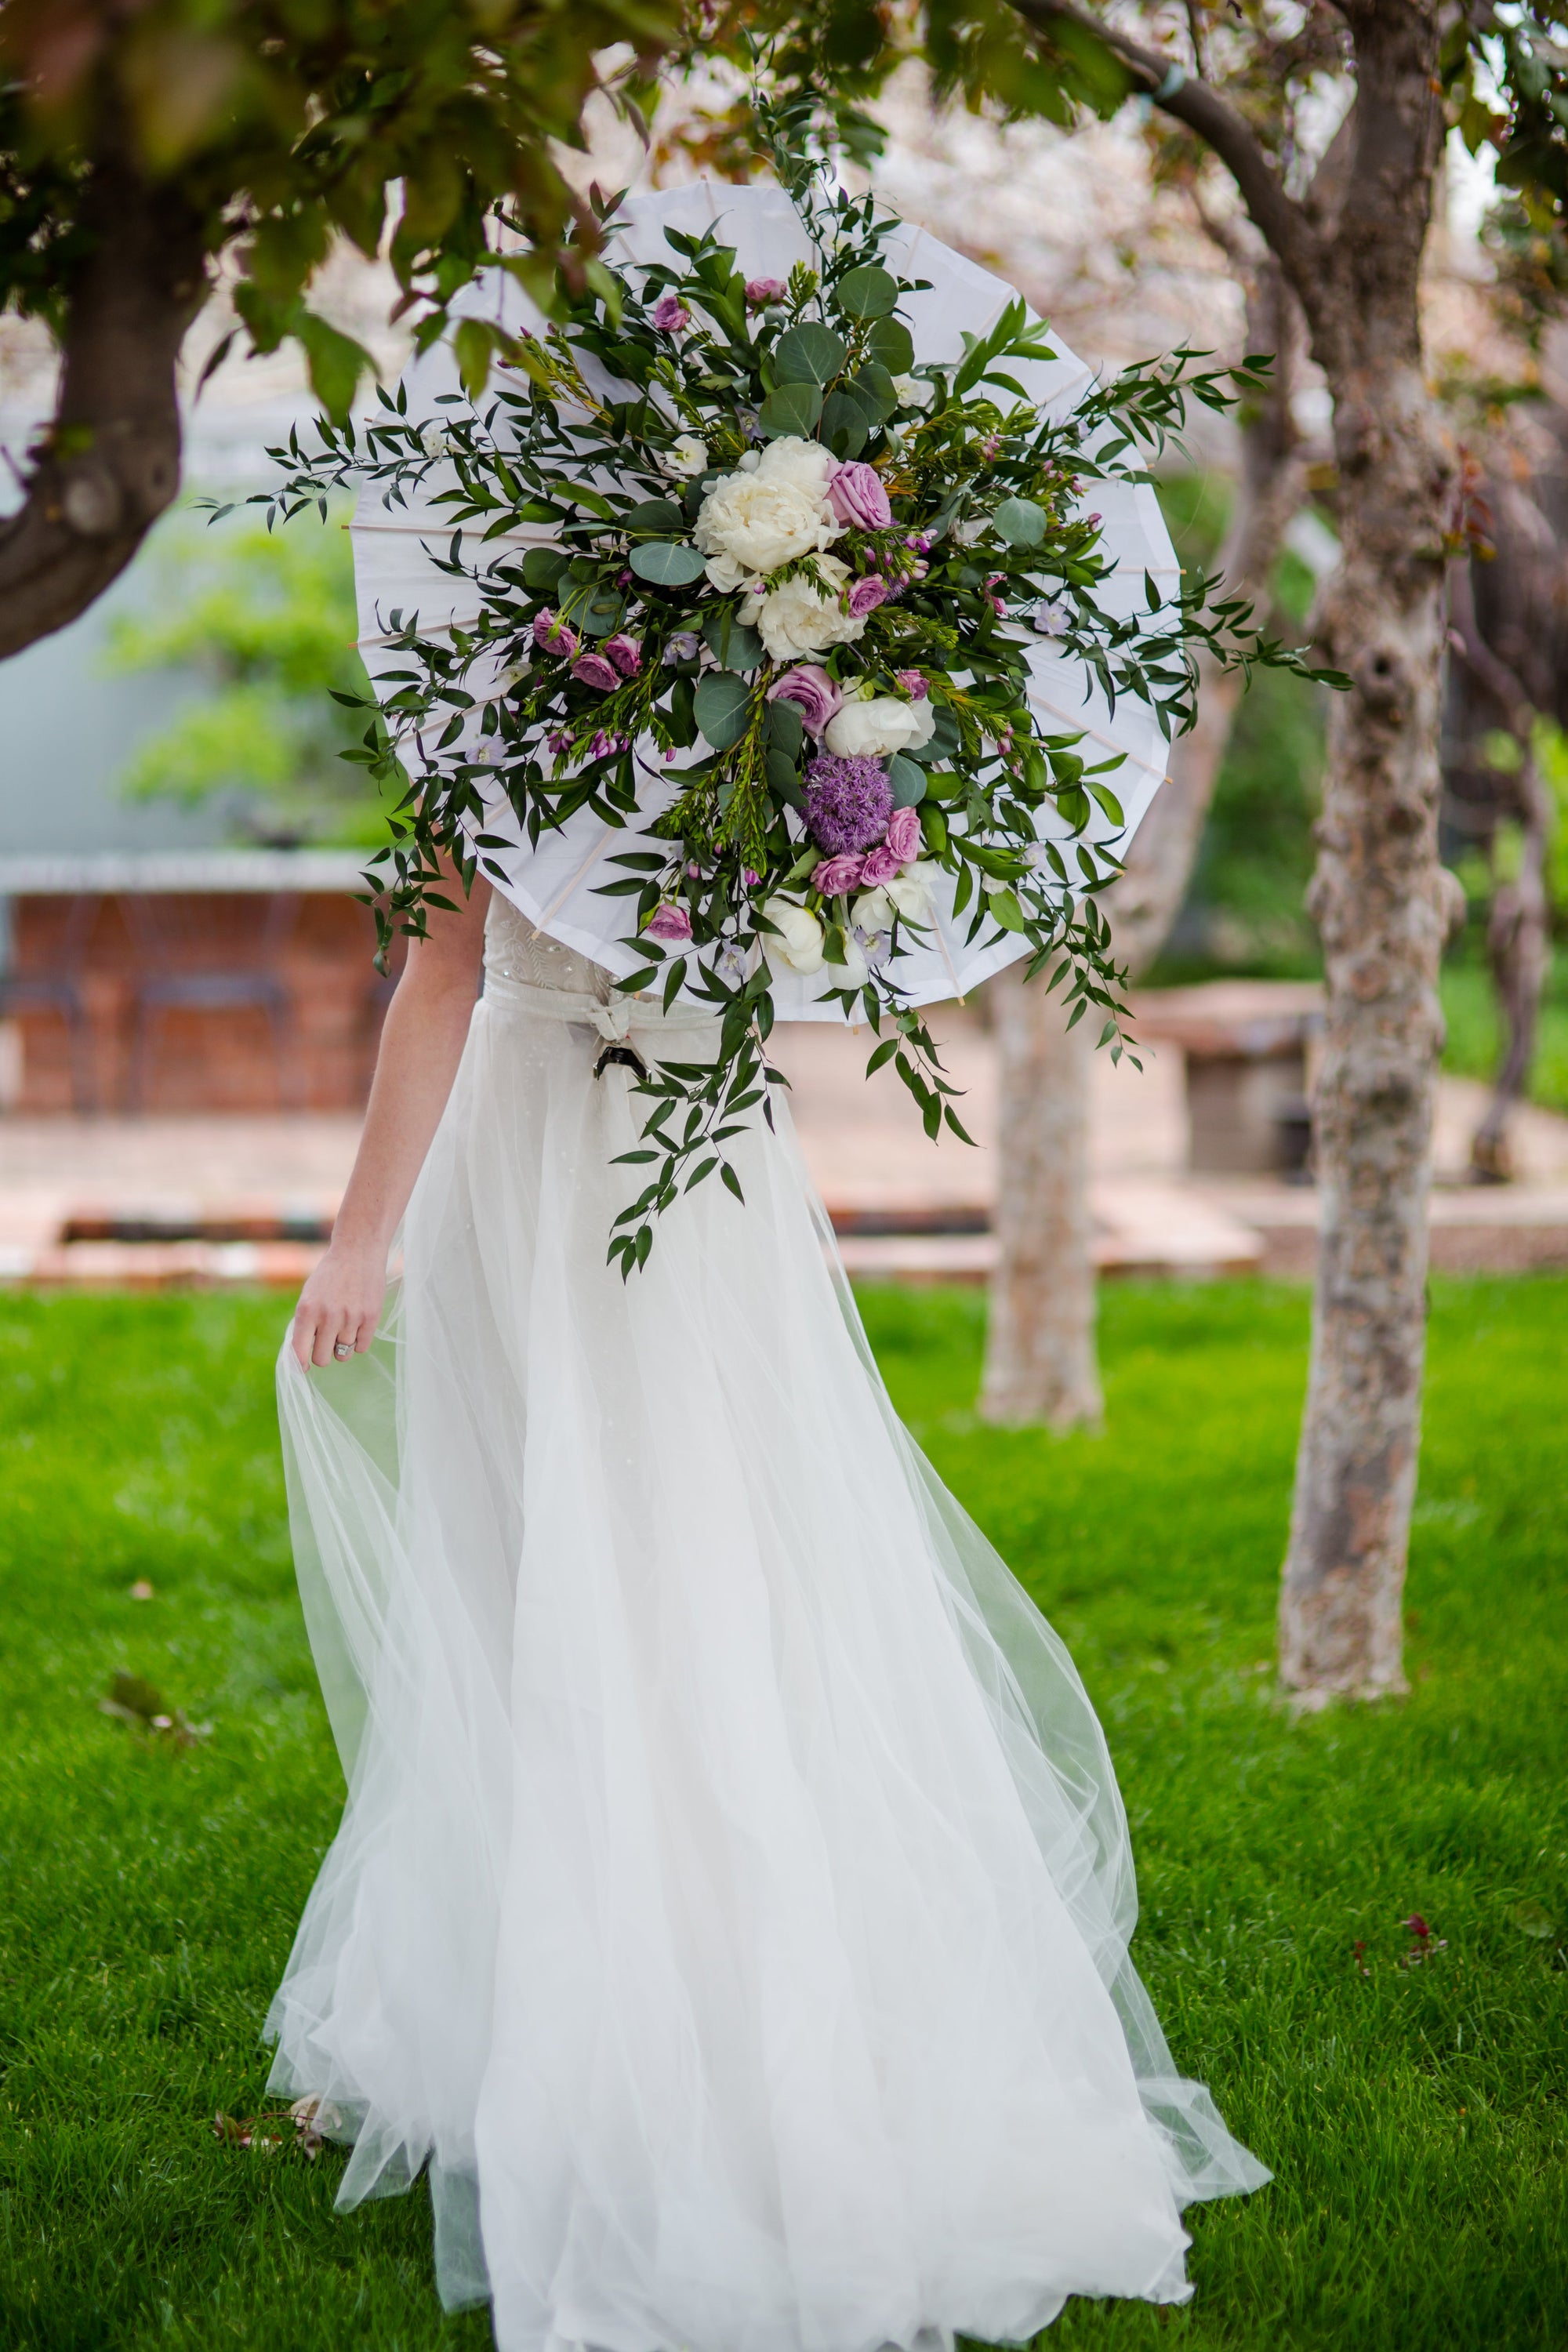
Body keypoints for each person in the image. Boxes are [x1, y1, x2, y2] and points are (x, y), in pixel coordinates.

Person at [270, 866, 1268, 2350]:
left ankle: (723, 2014)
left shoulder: (778, 699)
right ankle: (536, 1998)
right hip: (524, 1149)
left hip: (691, 1162)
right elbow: (443, 957)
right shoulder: (488, 689)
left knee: (701, 1572)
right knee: (524, 1569)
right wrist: (365, 1234)